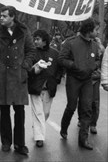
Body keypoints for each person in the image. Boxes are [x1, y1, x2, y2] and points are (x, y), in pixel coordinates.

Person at [0, 6, 35, 155]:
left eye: (5, 16)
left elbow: (31, 51)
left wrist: (25, 66)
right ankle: (6, 142)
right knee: (4, 111)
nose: (1, 18)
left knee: (19, 112)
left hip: (19, 76)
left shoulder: (24, 31)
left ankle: (20, 144)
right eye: (1, 16)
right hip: (2, 77)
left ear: (13, 17)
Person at [59, 18, 101, 150]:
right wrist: (75, 65)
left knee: (87, 109)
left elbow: (98, 60)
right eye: (96, 30)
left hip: (87, 81)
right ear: (89, 30)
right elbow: (61, 59)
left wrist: (93, 66)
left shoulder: (94, 45)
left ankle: (83, 140)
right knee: (71, 107)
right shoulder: (71, 43)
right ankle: (63, 129)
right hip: (73, 79)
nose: (98, 32)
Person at [28, 29, 63, 147]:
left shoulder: (55, 53)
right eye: (35, 39)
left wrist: (57, 79)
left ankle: (38, 127)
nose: (35, 41)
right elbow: (27, 69)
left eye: (37, 39)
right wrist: (34, 70)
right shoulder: (32, 53)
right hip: (35, 87)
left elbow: (60, 69)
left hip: (50, 87)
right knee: (38, 113)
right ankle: (39, 138)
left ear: (44, 41)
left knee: (45, 113)